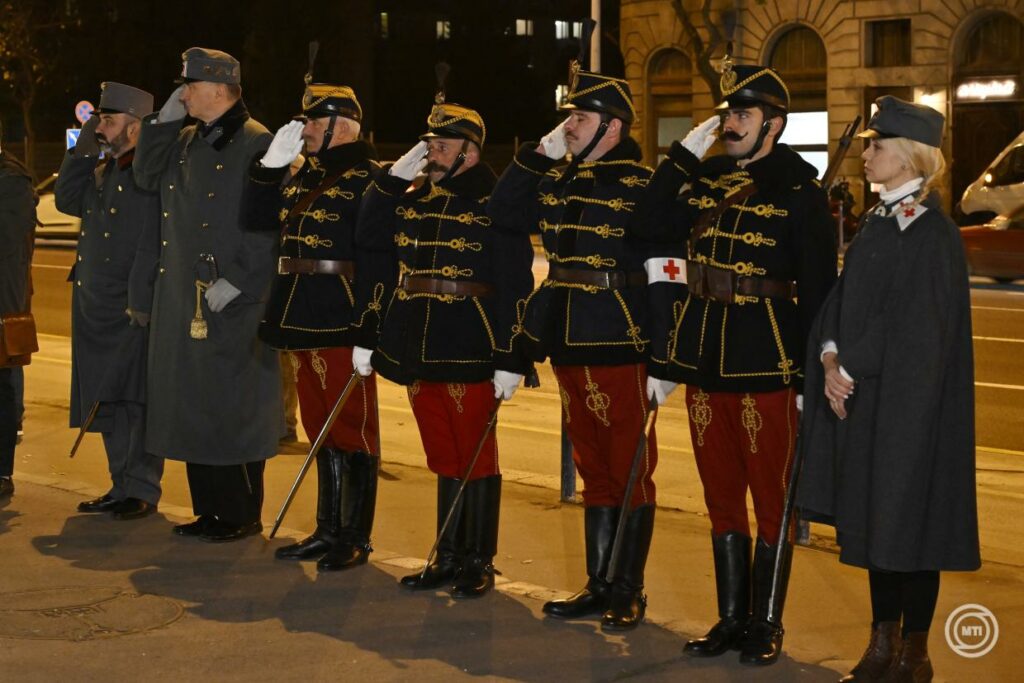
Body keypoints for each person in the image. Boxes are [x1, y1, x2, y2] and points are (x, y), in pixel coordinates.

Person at [632, 62, 837, 663]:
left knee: (770, 499)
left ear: (773, 124)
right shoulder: (709, 179)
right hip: (704, 358)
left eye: (742, 115)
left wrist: (806, 375)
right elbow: (647, 226)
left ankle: (766, 623)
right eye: (727, 113)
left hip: (766, 362)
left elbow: (821, 291)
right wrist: (680, 161)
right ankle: (729, 619)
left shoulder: (801, 193)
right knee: (720, 495)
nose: (730, 123)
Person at [797, 96, 980, 683]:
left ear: (907, 157)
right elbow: (842, 303)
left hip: (913, 409)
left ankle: (915, 651)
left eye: (875, 146)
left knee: (914, 523)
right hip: (871, 402)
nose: (865, 156)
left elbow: (920, 328)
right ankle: (882, 641)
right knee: (878, 519)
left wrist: (849, 366)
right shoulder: (879, 223)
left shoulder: (935, 233)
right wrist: (828, 353)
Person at [487, 58, 661, 629]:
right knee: (591, 466)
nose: (570, 128)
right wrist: (535, 157)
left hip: (623, 337)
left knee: (629, 468)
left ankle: (627, 588)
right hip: (569, 338)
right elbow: (503, 214)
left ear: (613, 128)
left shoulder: (645, 186)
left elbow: (668, 271)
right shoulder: (558, 180)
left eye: (581, 119)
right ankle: (598, 582)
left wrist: (665, 354)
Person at [354, 80, 534, 598]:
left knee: (476, 454)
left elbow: (514, 278)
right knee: (442, 454)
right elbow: (368, 237)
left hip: (471, 340)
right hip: (419, 341)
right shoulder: (415, 199)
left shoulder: (496, 202)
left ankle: (478, 558)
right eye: (428, 145)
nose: (430, 154)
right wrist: (392, 181)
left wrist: (511, 353)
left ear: (469, 152)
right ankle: (449, 554)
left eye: (440, 146)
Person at [133, 48, 280, 542]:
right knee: (193, 401)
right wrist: (161, 122)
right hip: (186, 293)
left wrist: (241, 278)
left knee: (231, 404)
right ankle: (211, 509)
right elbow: (144, 176)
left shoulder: (257, 142)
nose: (183, 93)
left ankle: (240, 512)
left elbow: (268, 224)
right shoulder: (187, 138)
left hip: (230, 294)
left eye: (190, 86)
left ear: (220, 89)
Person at [243, 77, 383, 571]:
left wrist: (370, 324)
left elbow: (378, 259)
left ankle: (354, 536)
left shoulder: (368, 179)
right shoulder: (304, 176)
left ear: (342, 127)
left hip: (340, 313)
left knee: (353, 427)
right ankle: (327, 529)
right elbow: (256, 219)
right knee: (319, 426)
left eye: (314, 122)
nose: (304, 129)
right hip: (300, 310)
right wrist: (270, 168)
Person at [55, 81, 163, 520]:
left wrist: (138, 301)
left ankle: (141, 488)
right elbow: (66, 200)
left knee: (134, 400)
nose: (102, 127)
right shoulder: (104, 168)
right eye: (100, 119)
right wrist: (84, 144)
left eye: (110, 120)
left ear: (135, 128)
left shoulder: (146, 177)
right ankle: (120, 484)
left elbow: (149, 245)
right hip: (94, 306)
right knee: (104, 397)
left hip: (128, 308)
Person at [0, 122, 37, 501]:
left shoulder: (11, 180)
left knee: (3, 390)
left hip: (2, 305)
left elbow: (7, 243)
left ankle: (1, 472)